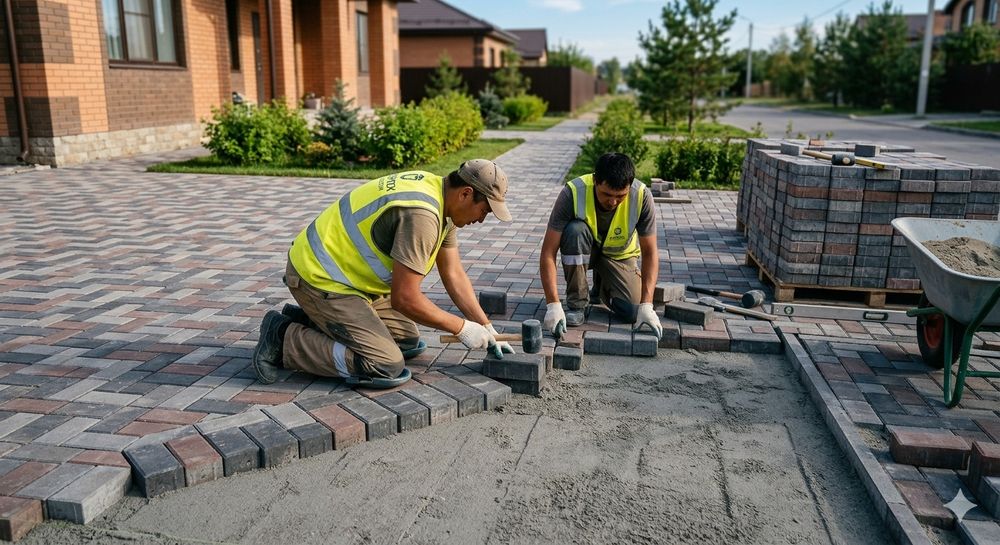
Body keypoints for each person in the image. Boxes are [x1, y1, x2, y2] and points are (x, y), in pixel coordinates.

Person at [252, 159, 516, 388]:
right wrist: (461, 328)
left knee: (408, 341)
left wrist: (485, 325)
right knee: (384, 364)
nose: (482, 219)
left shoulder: (441, 196)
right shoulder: (422, 216)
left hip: (352, 279)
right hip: (320, 278)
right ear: (466, 194)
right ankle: (284, 337)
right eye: (484, 211)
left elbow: (453, 272)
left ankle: (315, 320)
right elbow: (405, 299)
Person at [539, 152, 662, 340]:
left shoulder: (641, 196)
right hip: (585, 249)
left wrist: (647, 305)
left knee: (631, 311)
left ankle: (601, 287)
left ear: (630, 185)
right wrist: (553, 305)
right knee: (575, 231)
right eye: (606, 194)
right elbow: (548, 251)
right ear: (596, 180)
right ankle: (577, 303)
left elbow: (650, 252)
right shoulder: (573, 192)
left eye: (620, 196)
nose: (613, 202)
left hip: (618, 256)